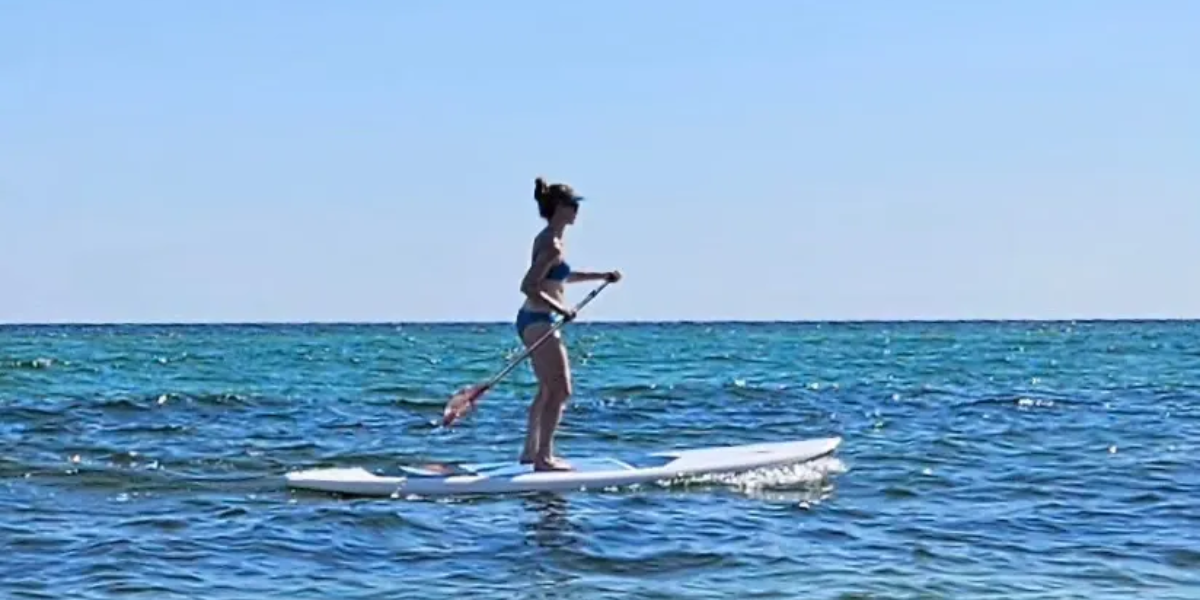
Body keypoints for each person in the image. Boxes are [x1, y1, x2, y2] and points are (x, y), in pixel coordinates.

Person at [516, 176, 621, 471]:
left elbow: (560, 277)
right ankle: (544, 458)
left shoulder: (549, 238)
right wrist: (561, 309)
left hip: (532, 319)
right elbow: (529, 285)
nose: (577, 209)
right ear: (559, 207)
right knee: (561, 390)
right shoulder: (550, 243)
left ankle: (530, 452)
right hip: (539, 319)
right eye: (573, 204)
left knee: (547, 389)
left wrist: (601, 276)